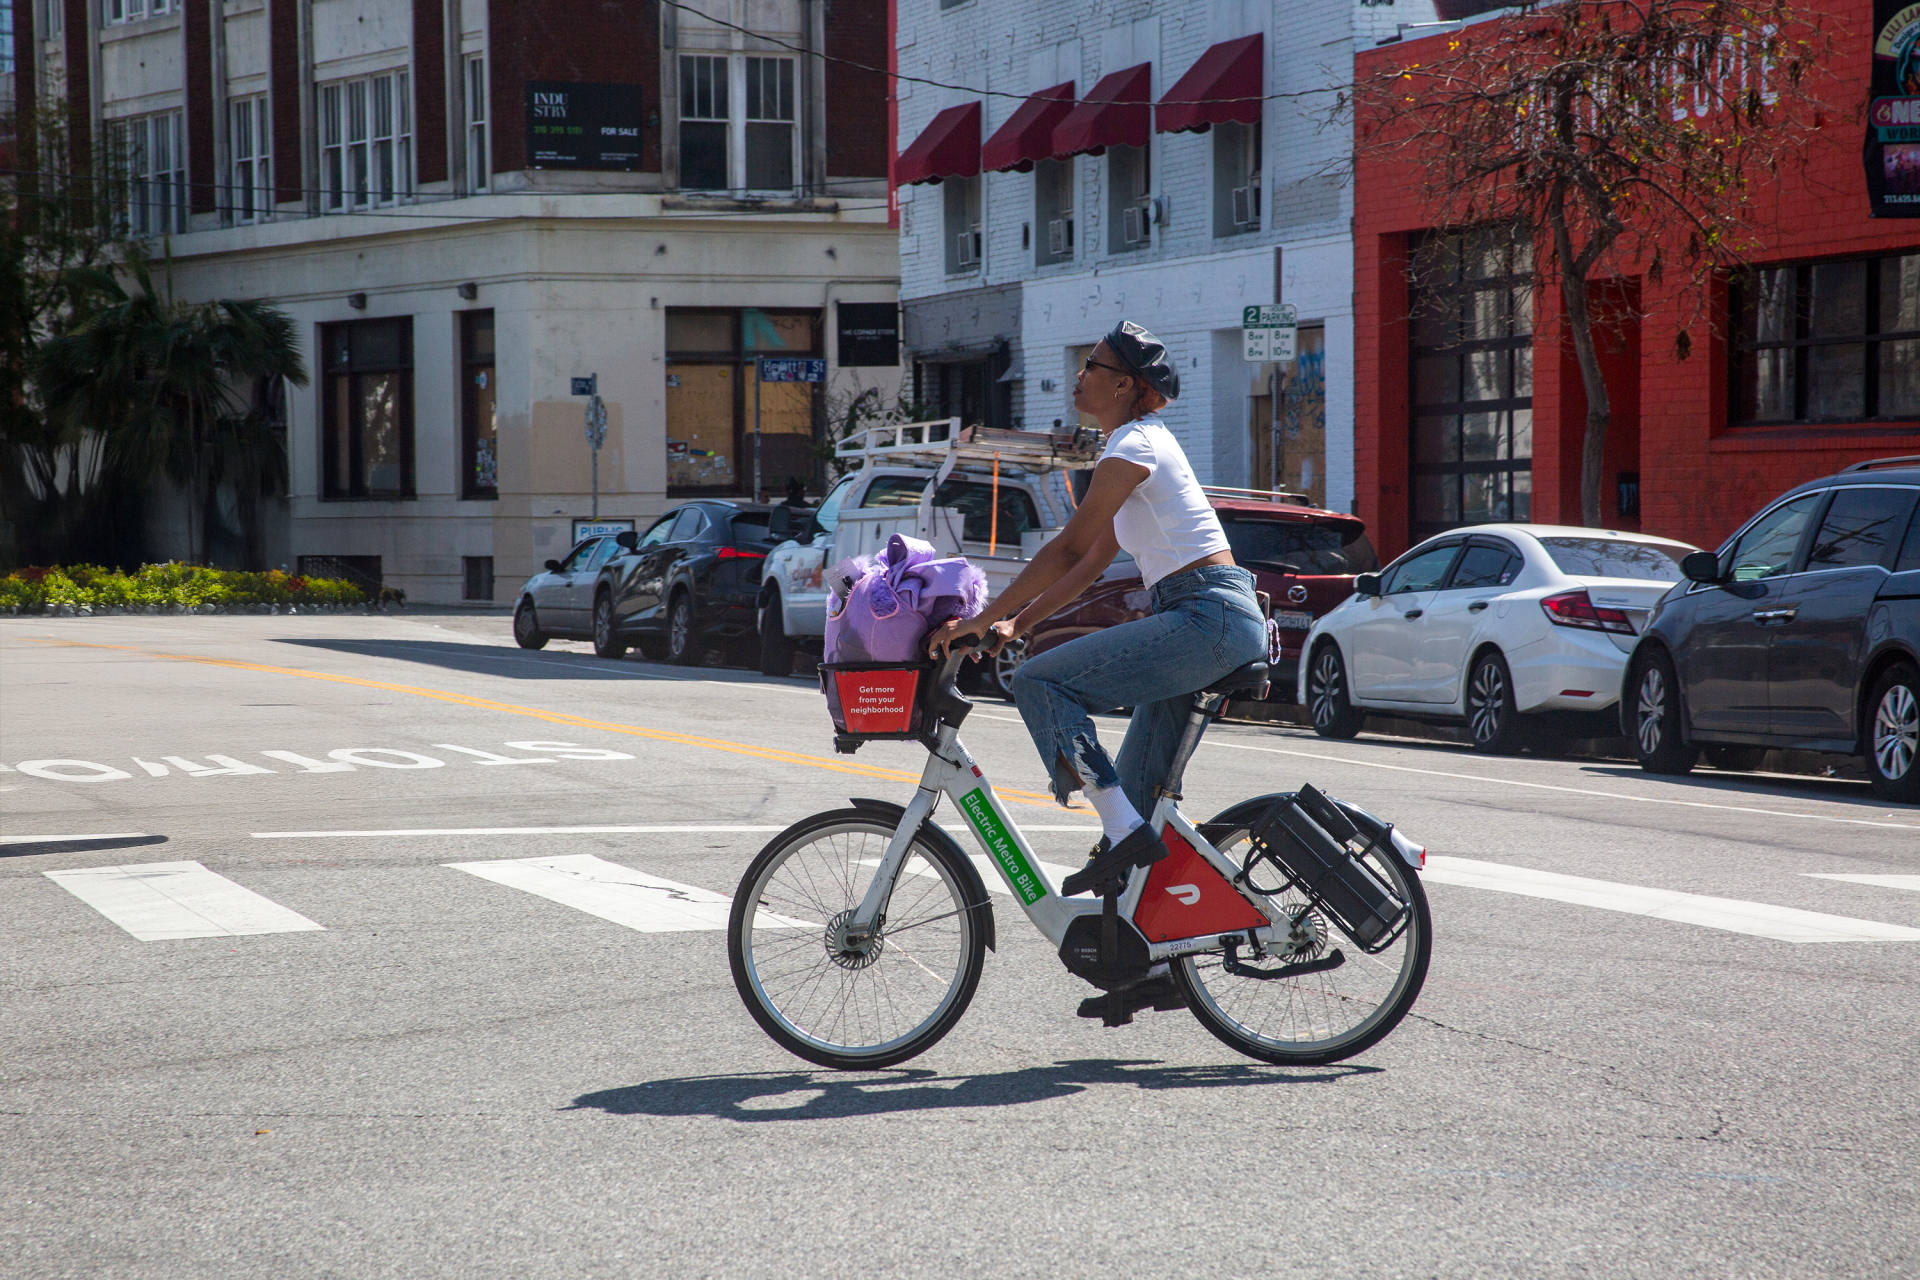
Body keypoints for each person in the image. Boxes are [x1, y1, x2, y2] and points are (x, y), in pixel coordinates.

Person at [928, 321, 1268, 1016]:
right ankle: (1158, 964)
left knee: (1041, 682)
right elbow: (1089, 564)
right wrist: (1018, 624)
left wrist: (976, 620)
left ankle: (1125, 832)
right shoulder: (1136, 449)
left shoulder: (1134, 445)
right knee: (1136, 797)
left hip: (1204, 614)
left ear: (1124, 385)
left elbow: (1066, 546)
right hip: (1203, 613)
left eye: (1091, 365)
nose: (1079, 375)